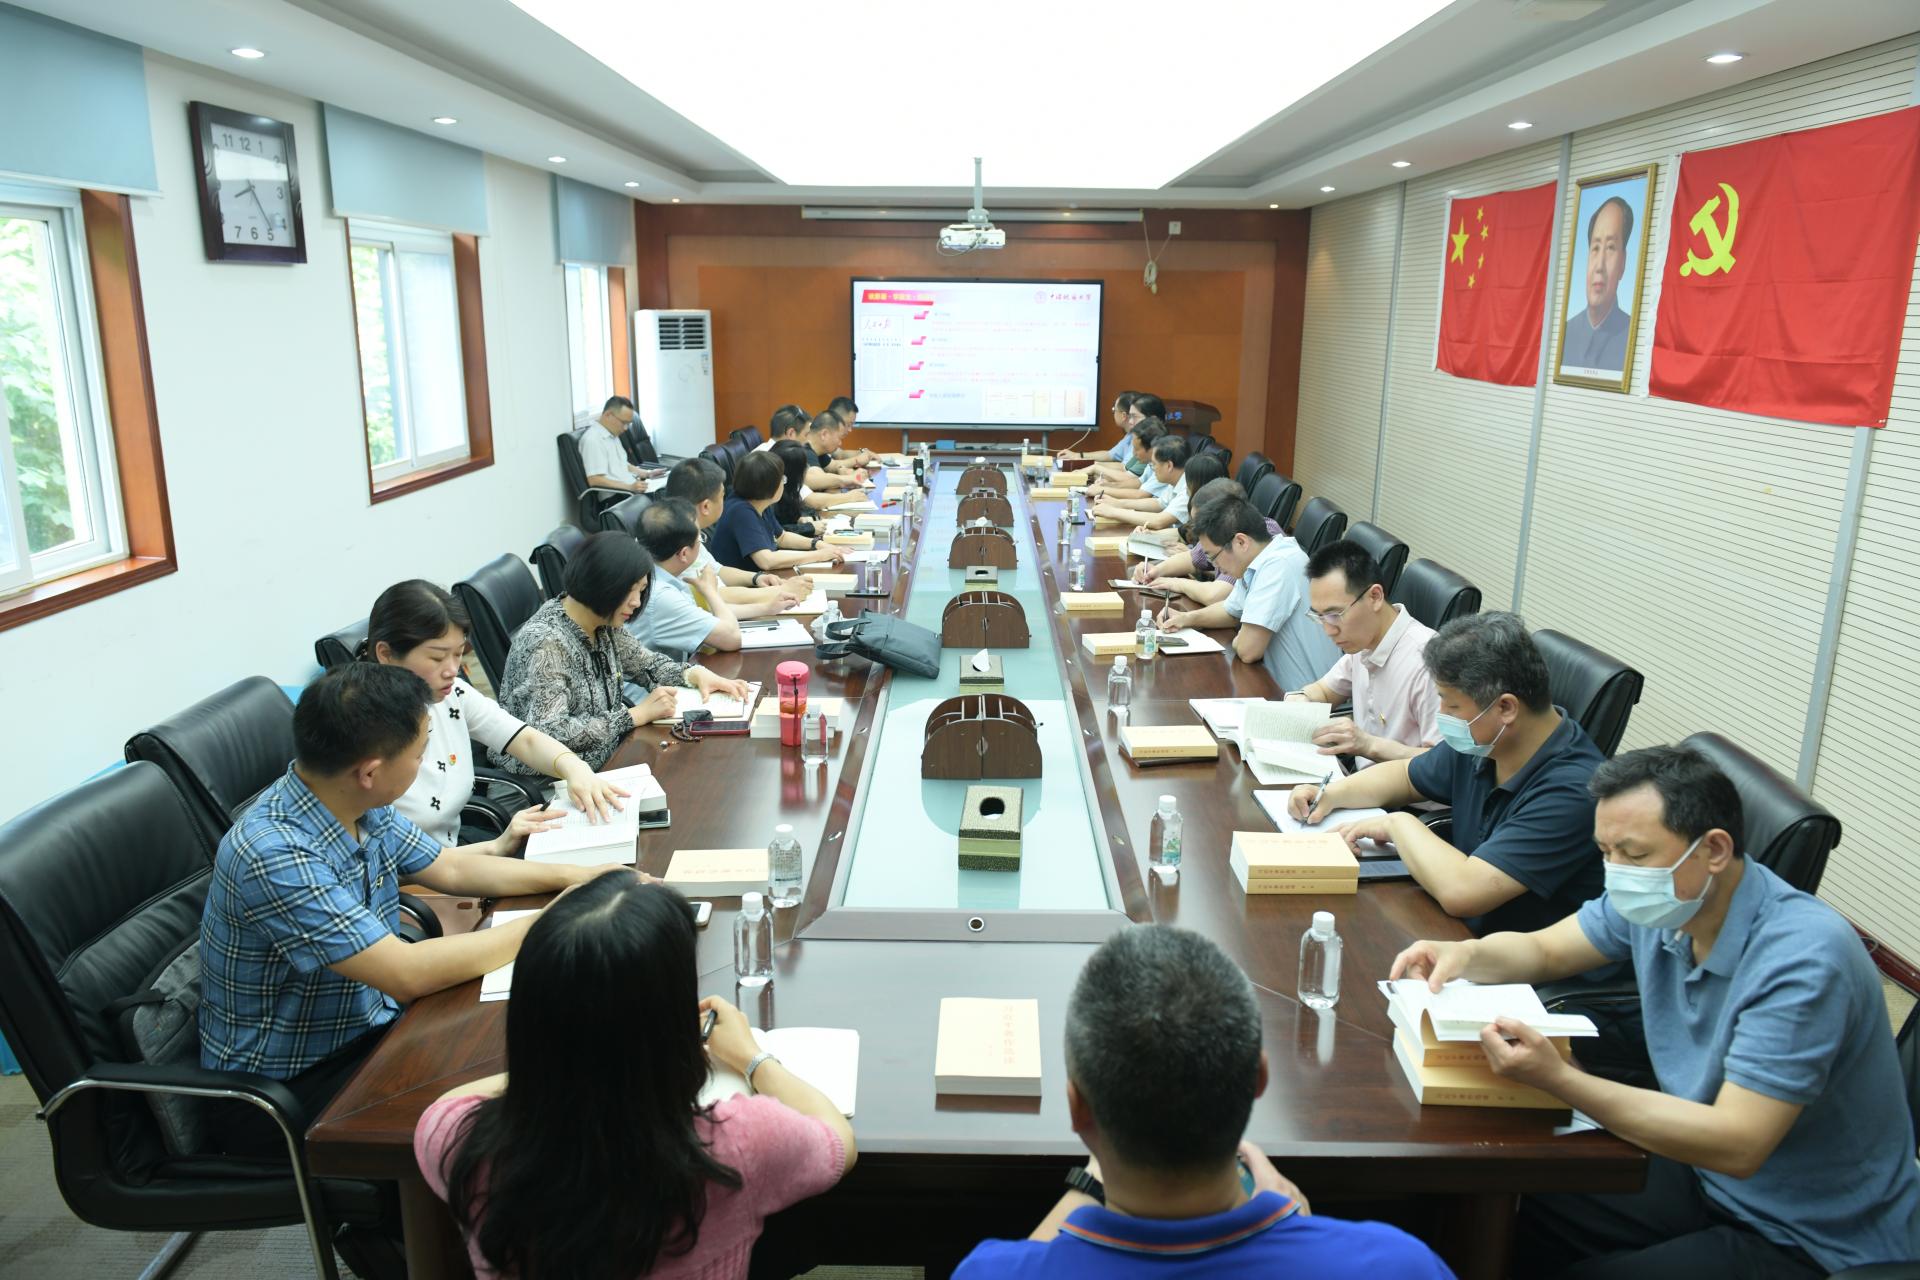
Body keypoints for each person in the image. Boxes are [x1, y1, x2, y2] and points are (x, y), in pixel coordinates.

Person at [1391, 744, 1920, 1277]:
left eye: (1634, 855)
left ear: (1714, 849)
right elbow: (1547, 950)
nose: (1617, 873)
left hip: (1807, 1234)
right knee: (1480, 1190)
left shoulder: (1804, 959)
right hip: (1702, 1173)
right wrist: (1466, 955)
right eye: (1606, 852)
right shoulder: (1668, 899)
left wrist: (1560, 1079)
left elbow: (1737, 1143)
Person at [199, 662, 623, 1157]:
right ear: (370, 771)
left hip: (372, 1023)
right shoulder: (273, 853)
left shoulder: (352, 799)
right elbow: (405, 972)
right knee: (523, 1105)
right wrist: (558, 917)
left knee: (544, 1035)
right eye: (420, 752)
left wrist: (581, 877)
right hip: (289, 1087)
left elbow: (451, 869)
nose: (424, 762)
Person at [416, 873, 855, 1280]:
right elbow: (836, 1141)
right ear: (666, 1022)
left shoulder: (457, 1143)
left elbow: (448, 1104)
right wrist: (754, 1059)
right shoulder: (735, 1145)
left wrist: (559, 1061)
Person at [954, 925, 1451, 1278]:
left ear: (1077, 1108)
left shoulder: (989, 1271)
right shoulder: (1399, 1266)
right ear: (1258, 1078)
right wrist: (1296, 1234)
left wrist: (1089, 1183)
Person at [1291, 611, 1605, 937]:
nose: (1442, 715)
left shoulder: (1572, 791)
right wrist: (1330, 795)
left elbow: (1463, 893)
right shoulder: (1487, 741)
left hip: (1515, 954)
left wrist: (1398, 824)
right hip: (1456, 931)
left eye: (1451, 706)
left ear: (1506, 708)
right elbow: (1404, 776)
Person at [362, 580, 627, 848]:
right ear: (386, 654)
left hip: (460, 852)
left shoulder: (450, 694)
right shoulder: (365, 734)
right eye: (437, 658)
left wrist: (574, 767)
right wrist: (498, 846)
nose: (452, 670)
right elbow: (405, 862)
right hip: (429, 868)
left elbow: (523, 739)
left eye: (458, 654)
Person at [493, 533, 751, 775]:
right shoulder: (547, 642)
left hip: (609, 757)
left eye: (641, 590)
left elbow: (648, 665)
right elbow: (550, 734)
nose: (637, 602)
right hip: (554, 781)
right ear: (601, 584)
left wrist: (694, 674)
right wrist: (634, 716)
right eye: (631, 590)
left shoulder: (601, 621)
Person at [1158, 498, 1340, 693]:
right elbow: (1231, 611)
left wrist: (1241, 637)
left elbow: (1248, 650)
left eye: (1213, 557)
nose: (1215, 566)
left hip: (1305, 699)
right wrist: (1187, 619)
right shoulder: (1258, 560)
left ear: (1241, 542)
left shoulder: (1279, 565)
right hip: (1272, 684)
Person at [1291, 540, 1440, 765]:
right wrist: (1302, 699)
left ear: (1375, 597)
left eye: (1335, 615)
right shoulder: (1363, 642)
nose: (1328, 630)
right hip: (1362, 779)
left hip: (1402, 787)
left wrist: (1368, 745)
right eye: (1320, 617)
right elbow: (1323, 691)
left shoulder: (1428, 663)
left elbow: (1443, 765)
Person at [663, 458, 812, 610]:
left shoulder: (687, 529)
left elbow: (717, 570)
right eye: (722, 496)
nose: (725, 501)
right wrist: (780, 591)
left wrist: (757, 578)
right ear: (706, 506)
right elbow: (712, 595)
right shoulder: (676, 544)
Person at [630, 498, 745, 660]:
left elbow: (705, 616)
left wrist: (767, 607)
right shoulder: (660, 595)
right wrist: (710, 591)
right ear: (684, 553)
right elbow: (732, 638)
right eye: (700, 539)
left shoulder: (649, 572)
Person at [706, 451, 846, 575]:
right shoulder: (741, 511)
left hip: (762, 577)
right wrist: (819, 555)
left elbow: (782, 537)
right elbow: (766, 561)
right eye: (782, 479)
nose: (783, 484)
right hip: (743, 586)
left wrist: (816, 544)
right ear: (768, 486)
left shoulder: (760, 501)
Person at [1561, 196, 1635, 374]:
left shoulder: (1632, 337)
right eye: (1595, 248)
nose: (1599, 266)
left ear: (1623, 263)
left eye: (1610, 247)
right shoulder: (1566, 333)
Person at [1091, 436, 1191, 529]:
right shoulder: (1176, 481)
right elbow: (1158, 503)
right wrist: (1118, 503)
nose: (1153, 469)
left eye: (1154, 464)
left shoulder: (1188, 488)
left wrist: (1113, 512)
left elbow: (1159, 521)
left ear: (1169, 466)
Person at [577, 395, 655, 493]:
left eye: (628, 424)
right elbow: (595, 479)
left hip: (631, 489)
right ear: (608, 415)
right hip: (618, 496)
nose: (626, 428)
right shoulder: (593, 440)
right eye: (623, 422)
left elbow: (622, 464)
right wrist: (630, 487)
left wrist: (647, 473)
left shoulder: (613, 435)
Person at [1057, 390, 1139, 465]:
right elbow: (1109, 455)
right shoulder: (1130, 435)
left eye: (1114, 410)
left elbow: (1124, 468)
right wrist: (1077, 455)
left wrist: (1086, 463)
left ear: (1123, 415)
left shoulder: (1139, 437)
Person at [1086, 419, 1166, 491]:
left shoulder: (1161, 466)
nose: (1134, 453)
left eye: (1137, 449)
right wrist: (1108, 485)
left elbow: (1142, 494)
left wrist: (1106, 491)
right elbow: (1138, 482)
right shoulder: (1150, 464)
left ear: (1151, 448)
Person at [803, 412, 864, 488]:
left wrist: (841, 469)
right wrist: (850, 478)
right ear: (824, 434)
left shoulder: (818, 451)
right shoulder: (804, 451)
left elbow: (833, 466)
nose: (840, 443)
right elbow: (819, 479)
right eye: (839, 438)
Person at [826, 394, 873, 466]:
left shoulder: (830, 440)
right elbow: (832, 466)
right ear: (834, 418)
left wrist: (864, 452)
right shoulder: (819, 441)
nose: (850, 430)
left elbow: (840, 454)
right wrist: (857, 461)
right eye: (848, 424)